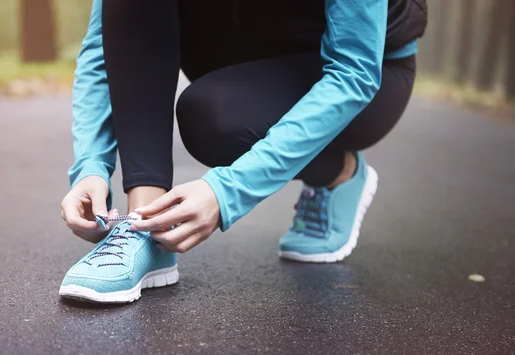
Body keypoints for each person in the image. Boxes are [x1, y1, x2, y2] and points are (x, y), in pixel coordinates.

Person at [59, 0, 427, 303]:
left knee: (215, 124)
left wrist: (227, 191)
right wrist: (91, 165)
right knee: (203, 104)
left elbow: (354, 73)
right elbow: (105, 43)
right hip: (238, 57)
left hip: (364, 68)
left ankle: (340, 172)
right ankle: (146, 225)